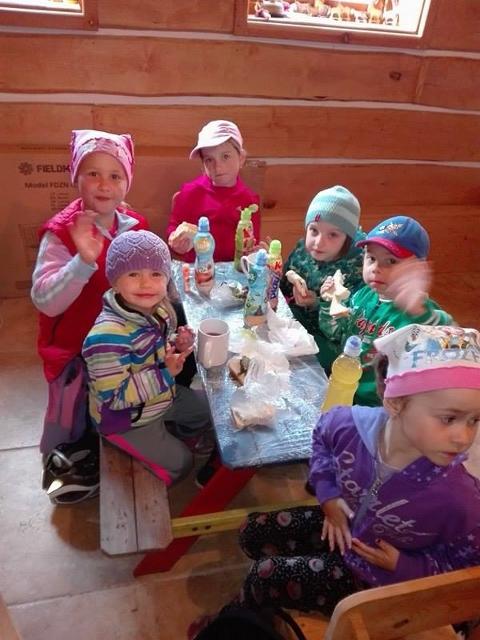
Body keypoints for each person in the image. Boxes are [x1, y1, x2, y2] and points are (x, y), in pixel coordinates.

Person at [203, 324, 480, 633]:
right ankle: (267, 606)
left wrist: (405, 566)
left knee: (263, 577)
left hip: (375, 578)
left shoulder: (461, 498)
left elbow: (466, 568)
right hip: (341, 526)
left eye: (474, 420)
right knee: (251, 532)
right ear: (395, 402)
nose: (464, 437)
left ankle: (240, 623)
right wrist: (329, 496)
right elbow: (322, 437)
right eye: (449, 418)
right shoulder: (349, 424)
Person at [31, 129, 149, 502]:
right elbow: (45, 301)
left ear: (127, 183)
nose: (104, 184)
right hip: (76, 349)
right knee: (73, 420)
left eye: (115, 175)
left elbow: (148, 279)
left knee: (123, 404)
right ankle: (73, 459)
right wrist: (82, 261)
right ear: (76, 177)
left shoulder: (133, 226)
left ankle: (112, 441)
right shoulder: (61, 234)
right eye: (93, 173)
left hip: (119, 343)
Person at [82, 230, 213, 485]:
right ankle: (139, 461)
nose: (145, 284)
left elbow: (152, 350)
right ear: (114, 282)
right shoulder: (107, 337)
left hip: (160, 397)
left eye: (156, 274)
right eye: (133, 274)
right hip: (127, 420)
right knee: (183, 463)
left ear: (166, 279)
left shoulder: (155, 310)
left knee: (205, 411)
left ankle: (174, 436)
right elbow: (114, 397)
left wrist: (176, 343)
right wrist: (165, 375)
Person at [318, 215, 453, 406]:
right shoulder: (363, 295)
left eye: (391, 261)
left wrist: (419, 310)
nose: (376, 268)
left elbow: (451, 343)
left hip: (381, 405)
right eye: (371, 258)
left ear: (416, 270)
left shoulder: (419, 311)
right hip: (343, 386)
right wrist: (329, 302)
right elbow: (335, 332)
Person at [279, 185, 365, 372]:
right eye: (314, 230)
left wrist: (317, 303)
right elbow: (283, 287)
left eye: (333, 235)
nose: (318, 242)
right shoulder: (302, 251)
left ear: (348, 239)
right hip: (296, 324)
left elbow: (344, 328)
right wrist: (272, 266)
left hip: (328, 345)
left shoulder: (358, 270)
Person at [166, 120, 260, 262]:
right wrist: (175, 239)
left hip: (234, 270)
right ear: (203, 165)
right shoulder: (190, 193)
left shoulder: (250, 201)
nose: (218, 167)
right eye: (209, 160)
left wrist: (257, 251)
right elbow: (173, 226)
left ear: (241, 158)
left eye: (225, 156)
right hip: (196, 268)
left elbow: (252, 243)